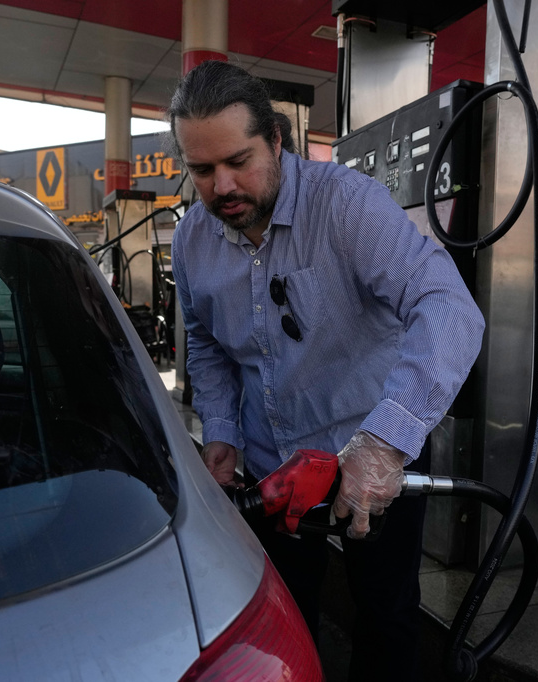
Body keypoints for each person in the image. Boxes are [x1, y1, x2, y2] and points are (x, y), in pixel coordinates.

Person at [167, 60, 485, 681]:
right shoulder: (192, 240)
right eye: (201, 169)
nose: (221, 185)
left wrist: (387, 442)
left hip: (371, 456)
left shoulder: (347, 205)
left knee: (386, 613)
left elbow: (448, 308)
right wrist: (223, 432)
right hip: (271, 466)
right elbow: (205, 343)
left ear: (278, 142)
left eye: (239, 160)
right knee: (282, 616)